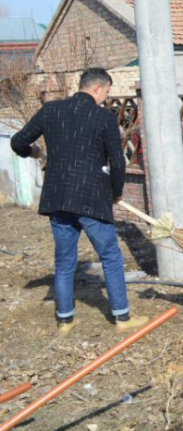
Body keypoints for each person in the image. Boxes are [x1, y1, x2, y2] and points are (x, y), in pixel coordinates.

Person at [11, 68, 147, 335]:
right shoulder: (103, 117)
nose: (105, 98)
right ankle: (122, 317)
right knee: (110, 256)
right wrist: (116, 191)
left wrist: (33, 151)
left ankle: (65, 320)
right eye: (106, 92)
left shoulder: (50, 111)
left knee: (64, 261)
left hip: (57, 197)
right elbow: (117, 161)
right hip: (91, 197)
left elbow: (18, 142)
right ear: (97, 88)